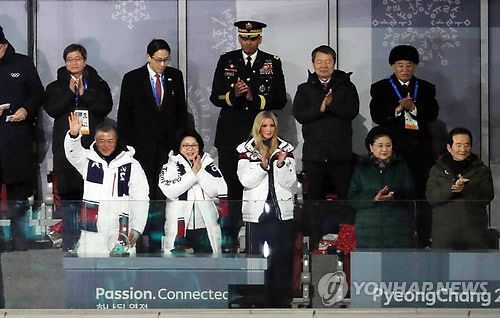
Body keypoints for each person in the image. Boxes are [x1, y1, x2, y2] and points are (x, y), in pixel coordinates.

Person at [210, 20, 287, 252]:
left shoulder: (271, 63)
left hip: (260, 135)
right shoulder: (227, 60)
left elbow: (280, 99)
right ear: (239, 39)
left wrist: (256, 99)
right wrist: (234, 94)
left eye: (252, 38)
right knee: (232, 187)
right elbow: (215, 97)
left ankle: (259, 239)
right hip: (231, 133)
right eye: (244, 38)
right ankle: (230, 238)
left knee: (260, 186)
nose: (248, 42)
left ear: (260, 39)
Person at [117, 39, 188, 253]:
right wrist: (127, 148)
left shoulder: (175, 77)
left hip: (167, 150)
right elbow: (124, 116)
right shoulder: (132, 78)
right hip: (140, 150)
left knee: (162, 196)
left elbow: (180, 114)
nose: (162, 64)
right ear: (148, 57)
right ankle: (139, 238)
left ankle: (158, 240)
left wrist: (178, 146)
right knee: (142, 195)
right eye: (158, 60)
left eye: (166, 60)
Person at [369, 44, 439, 247]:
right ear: (393, 67)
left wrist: (414, 108)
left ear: (415, 67)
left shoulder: (426, 88)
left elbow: (433, 114)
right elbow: (378, 116)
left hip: (421, 154)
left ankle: (424, 240)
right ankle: (395, 239)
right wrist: (399, 108)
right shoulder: (380, 88)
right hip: (393, 153)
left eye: (409, 65)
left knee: (421, 198)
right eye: (400, 65)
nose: (405, 69)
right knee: (395, 196)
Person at [45, 43, 113, 251]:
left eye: (77, 59)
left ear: (85, 60)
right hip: (65, 148)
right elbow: (52, 109)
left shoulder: (98, 83)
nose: (73, 63)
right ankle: (69, 241)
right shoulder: (55, 86)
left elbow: (105, 107)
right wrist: (69, 92)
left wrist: (84, 94)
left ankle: (92, 241)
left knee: (91, 193)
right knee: (67, 194)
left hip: (92, 148)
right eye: (69, 60)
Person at [292, 45, 359, 251]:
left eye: (328, 61)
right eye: (319, 61)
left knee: (345, 200)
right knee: (314, 202)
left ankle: (345, 243)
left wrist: (331, 104)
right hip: (315, 157)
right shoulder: (305, 88)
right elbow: (299, 114)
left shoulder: (346, 86)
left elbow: (352, 111)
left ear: (334, 63)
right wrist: (320, 108)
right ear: (313, 64)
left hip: (341, 156)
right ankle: (313, 243)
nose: (323, 65)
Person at [65, 113, 149, 256]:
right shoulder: (88, 161)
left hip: (121, 230)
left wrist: (137, 227)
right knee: (91, 273)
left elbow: (141, 197)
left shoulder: (131, 165)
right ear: (95, 141)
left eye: (110, 141)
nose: (106, 145)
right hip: (92, 233)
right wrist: (73, 135)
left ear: (116, 140)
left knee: (121, 275)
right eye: (101, 141)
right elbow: (73, 153)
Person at [236, 111, 296, 307]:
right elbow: (246, 181)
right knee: (257, 260)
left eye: (271, 126)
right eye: (264, 126)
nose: (268, 130)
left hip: (280, 215)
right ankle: (258, 299)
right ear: (258, 127)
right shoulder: (245, 150)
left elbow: (291, 183)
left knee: (281, 259)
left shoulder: (286, 149)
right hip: (257, 215)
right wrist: (262, 165)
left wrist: (279, 164)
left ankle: (281, 301)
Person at [0, 25, 44, 252]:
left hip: (16, 140)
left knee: (18, 196)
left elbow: (37, 93)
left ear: (4, 44)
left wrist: (26, 110)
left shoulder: (22, 63)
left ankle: (19, 241)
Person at [159, 129, 227, 254]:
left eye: (194, 145)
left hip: (205, 229)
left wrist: (199, 171)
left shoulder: (208, 164)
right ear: (179, 147)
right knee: (178, 270)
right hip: (180, 229)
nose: (190, 149)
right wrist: (193, 174)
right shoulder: (170, 166)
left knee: (207, 269)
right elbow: (170, 191)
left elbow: (218, 190)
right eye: (185, 146)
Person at [426, 128, 494, 250]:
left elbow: (488, 196)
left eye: (466, 145)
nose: (463, 149)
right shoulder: (437, 170)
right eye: (458, 145)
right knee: (442, 268)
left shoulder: (482, 169)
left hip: (475, 234)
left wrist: (465, 188)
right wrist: (453, 188)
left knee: (475, 268)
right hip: (444, 236)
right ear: (449, 147)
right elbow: (431, 197)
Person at [348, 126, 415, 248]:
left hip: (397, 231)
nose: (384, 149)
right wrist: (374, 197)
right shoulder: (361, 168)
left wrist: (394, 197)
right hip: (368, 231)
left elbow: (410, 194)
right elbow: (353, 198)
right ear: (371, 147)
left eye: (388, 145)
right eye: (380, 146)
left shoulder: (401, 167)